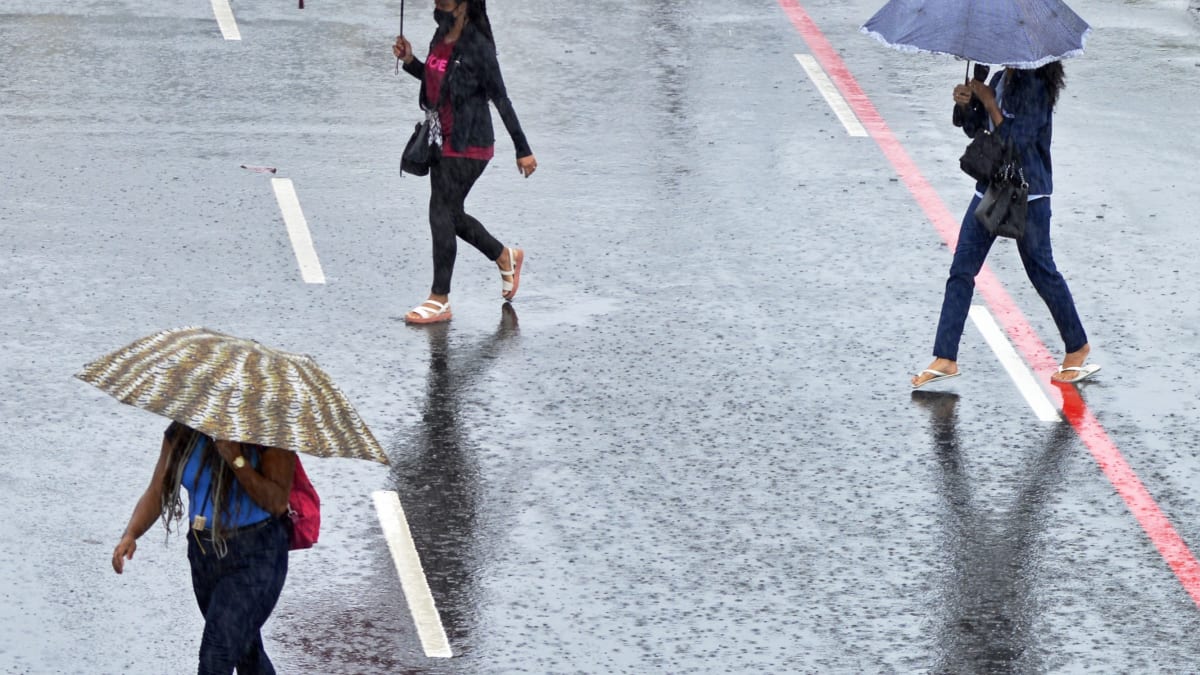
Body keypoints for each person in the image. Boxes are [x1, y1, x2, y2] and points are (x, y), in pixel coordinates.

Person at [912, 63, 1100, 389]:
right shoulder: (1000, 78)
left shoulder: (1037, 86)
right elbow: (977, 130)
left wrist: (988, 102)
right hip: (991, 187)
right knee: (961, 270)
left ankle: (1077, 347)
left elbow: (1017, 140)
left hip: (1029, 194)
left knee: (1041, 271)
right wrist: (966, 103)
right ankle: (946, 357)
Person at [392, 0, 538, 325]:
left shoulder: (478, 44)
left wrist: (522, 149)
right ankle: (504, 256)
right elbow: (436, 81)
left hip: (470, 142)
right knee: (450, 215)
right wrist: (411, 61)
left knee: (440, 212)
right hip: (440, 140)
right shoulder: (440, 34)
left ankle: (439, 298)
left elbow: (500, 97)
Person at [112, 422, 296, 675]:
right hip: (203, 554)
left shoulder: (269, 434)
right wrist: (131, 534)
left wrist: (237, 459)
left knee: (216, 654)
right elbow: (158, 489)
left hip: (257, 556)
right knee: (244, 651)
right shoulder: (182, 432)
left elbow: (276, 502)